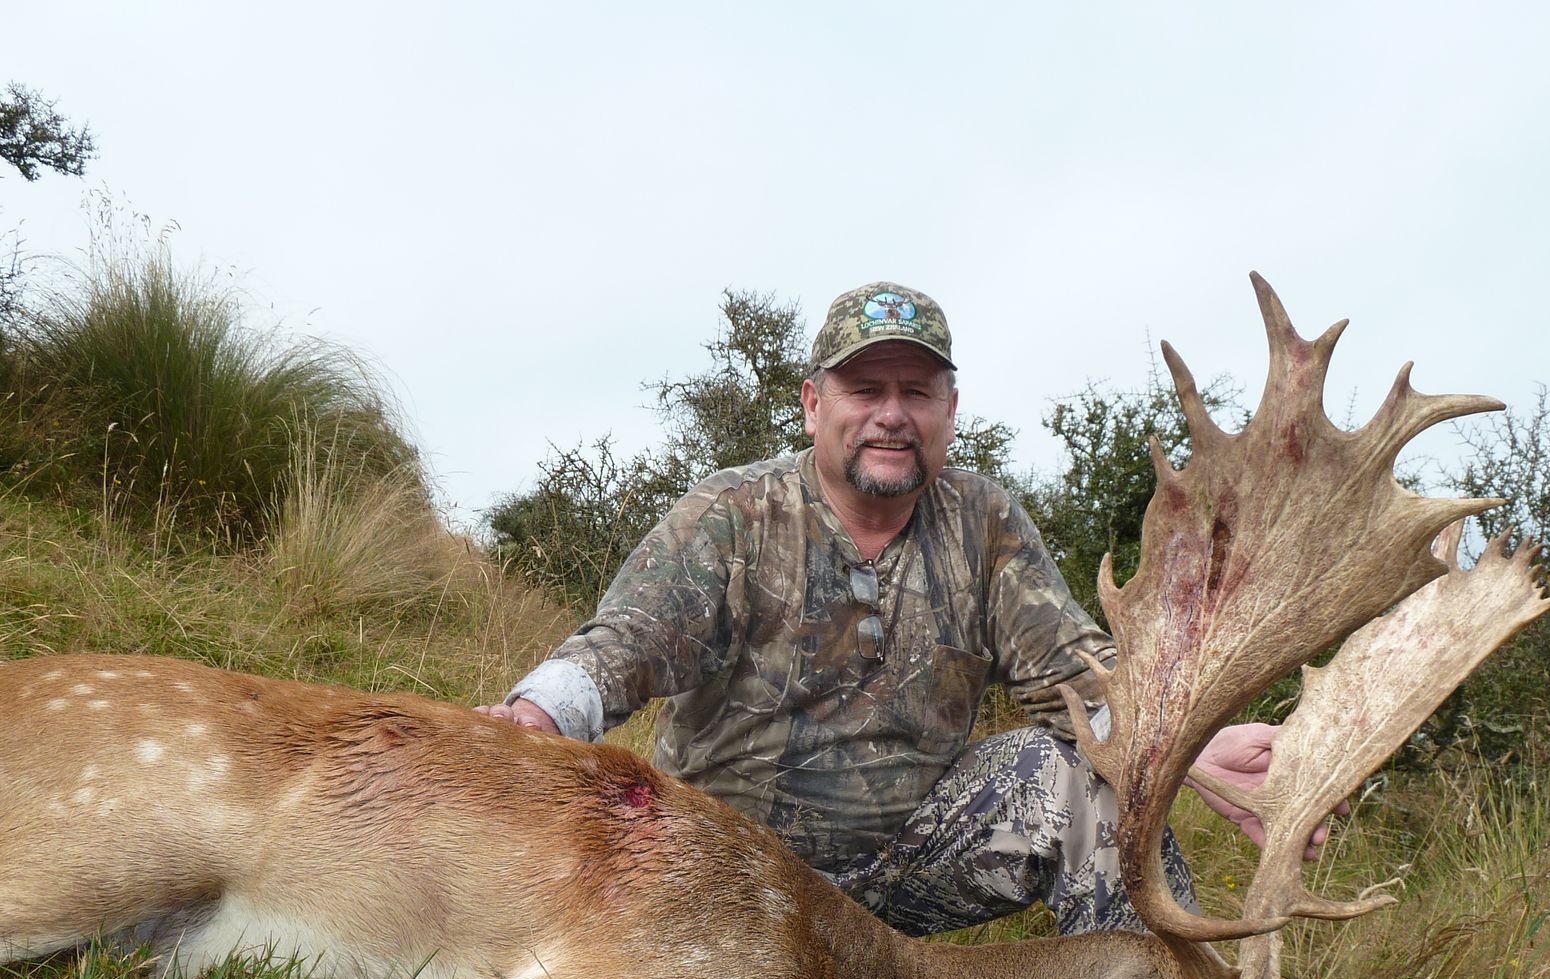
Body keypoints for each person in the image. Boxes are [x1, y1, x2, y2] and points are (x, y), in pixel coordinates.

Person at [480, 282, 1313, 936]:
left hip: (903, 878)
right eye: (864, 388)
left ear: (951, 409)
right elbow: (628, 640)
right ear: (813, 404)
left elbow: (1073, 675)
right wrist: (542, 712)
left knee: (1082, 783)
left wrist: (1192, 744)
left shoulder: (983, 522)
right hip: (721, 878)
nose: (890, 414)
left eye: (916, 391)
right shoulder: (732, 514)